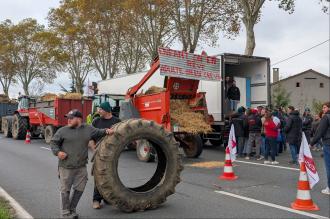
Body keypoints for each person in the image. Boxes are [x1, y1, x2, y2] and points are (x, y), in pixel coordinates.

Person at [51, 109, 114, 218]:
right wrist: (58, 152)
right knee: (65, 190)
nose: (68, 120)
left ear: (79, 119)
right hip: (66, 166)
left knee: (80, 189)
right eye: (68, 118)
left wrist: (107, 131)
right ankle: (65, 213)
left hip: (81, 167)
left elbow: (99, 132)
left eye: (71, 118)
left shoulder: (88, 129)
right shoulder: (62, 131)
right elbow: (53, 142)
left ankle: (72, 209)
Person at [91, 102, 121, 209]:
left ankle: (108, 197)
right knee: (99, 176)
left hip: (113, 155)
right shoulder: (96, 121)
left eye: (100, 109)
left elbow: (121, 135)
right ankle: (96, 200)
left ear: (107, 110)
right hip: (99, 153)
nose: (98, 111)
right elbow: (90, 136)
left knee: (111, 176)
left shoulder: (117, 121)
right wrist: (93, 147)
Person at [310, 102, 330, 195]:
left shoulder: (326, 117)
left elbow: (319, 131)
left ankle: (329, 188)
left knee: (329, 167)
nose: (323, 109)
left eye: (325, 107)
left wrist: (312, 143)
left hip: (328, 144)